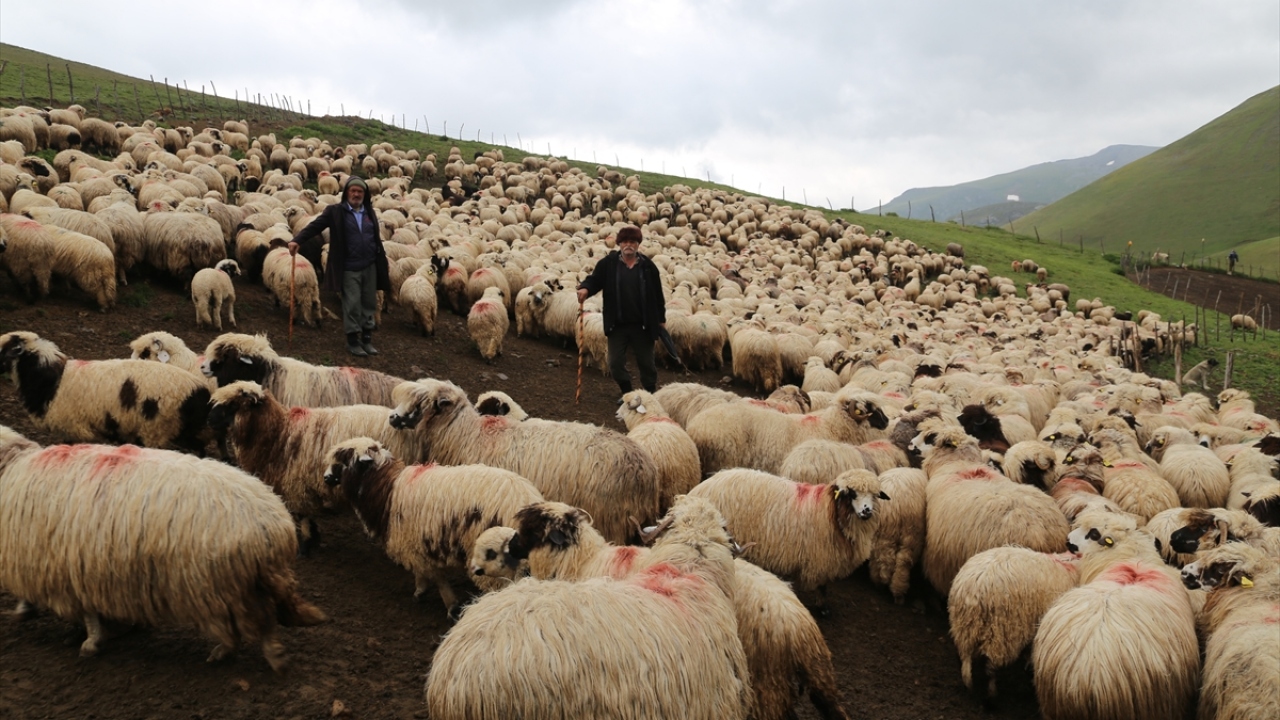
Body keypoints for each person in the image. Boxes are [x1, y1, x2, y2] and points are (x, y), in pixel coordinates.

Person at [289, 176, 390, 357]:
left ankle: (367, 339)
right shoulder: (335, 211)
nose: (356, 194)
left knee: (369, 302)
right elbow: (315, 226)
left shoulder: (369, 212)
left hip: (370, 264)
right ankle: (353, 340)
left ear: (364, 194)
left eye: (360, 191)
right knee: (351, 303)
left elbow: (374, 236)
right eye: (353, 191)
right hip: (349, 266)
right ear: (347, 193)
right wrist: (297, 240)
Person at [576, 226, 666, 396]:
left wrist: (661, 318)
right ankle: (627, 393)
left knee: (646, 363)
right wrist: (586, 289)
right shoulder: (608, 264)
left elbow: (657, 294)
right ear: (619, 244)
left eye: (632, 241)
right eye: (625, 241)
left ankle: (649, 393)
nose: (628, 245)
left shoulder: (648, 267)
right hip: (617, 324)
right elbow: (595, 280)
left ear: (638, 244)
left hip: (643, 324)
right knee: (614, 363)